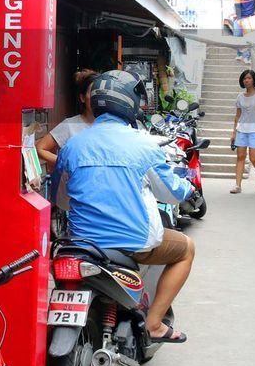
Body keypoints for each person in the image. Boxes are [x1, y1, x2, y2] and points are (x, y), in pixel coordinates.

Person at [57, 70, 202, 344]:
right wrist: (187, 188)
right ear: (130, 103)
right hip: (132, 243)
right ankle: (155, 323)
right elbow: (171, 194)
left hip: (81, 244)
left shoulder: (72, 145)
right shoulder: (144, 145)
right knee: (186, 250)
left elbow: (62, 199)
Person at [36, 69, 99, 171]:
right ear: (82, 98)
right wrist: (66, 163)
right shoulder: (70, 125)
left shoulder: (115, 126)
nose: (97, 98)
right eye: (92, 93)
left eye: (100, 93)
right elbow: (40, 148)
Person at [230, 69, 255, 194]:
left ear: (254, 80)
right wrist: (234, 132)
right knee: (240, 157)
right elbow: (237, 116)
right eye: (244, 78)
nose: (246, 80)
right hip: (241, 130)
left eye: (249, 78)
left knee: (254, 158)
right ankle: (237, 185)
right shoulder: (240, 97)